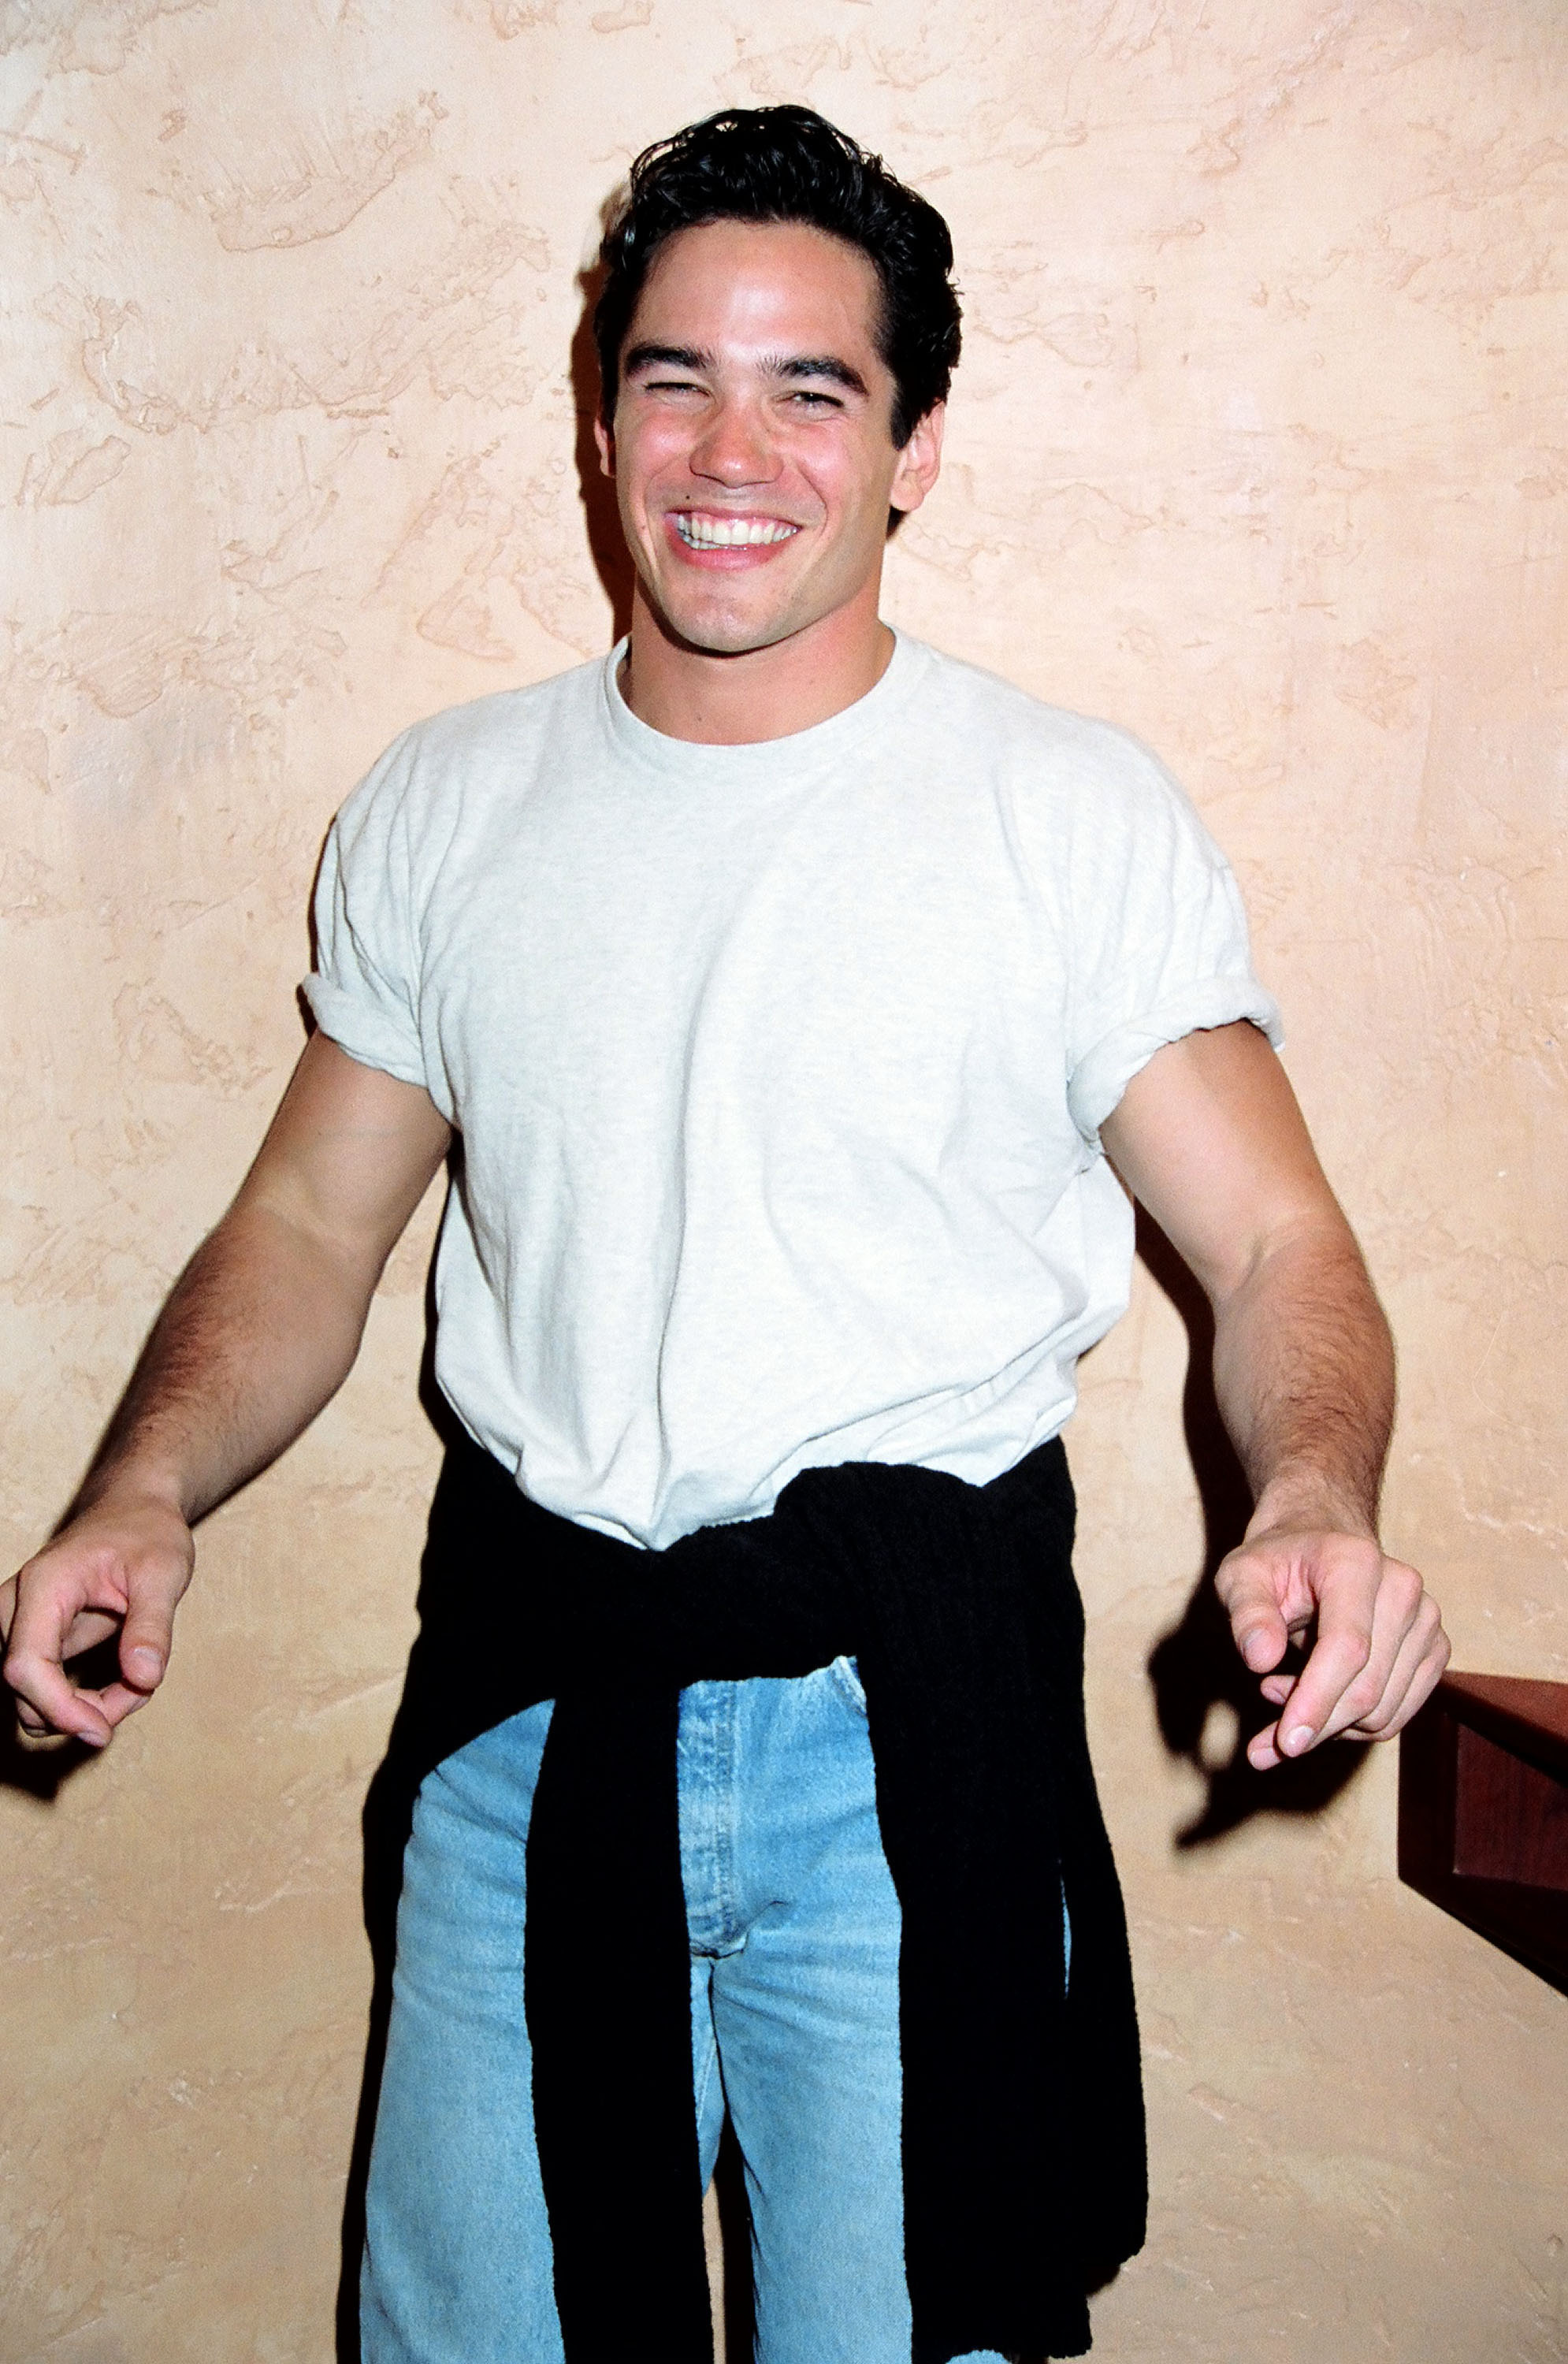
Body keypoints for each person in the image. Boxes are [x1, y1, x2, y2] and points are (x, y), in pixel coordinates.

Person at [3, 105, 1448, 2364]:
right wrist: (142, 1487)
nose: (729, 449)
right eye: (674, 376)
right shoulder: (447, 804)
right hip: (530, 1716)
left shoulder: (1064, 818)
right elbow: (306, 1219)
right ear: (601, 421)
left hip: (905, 1744)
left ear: (920, 446)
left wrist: (1324, 1493)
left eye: (814, 388)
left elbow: (1278, 1249)